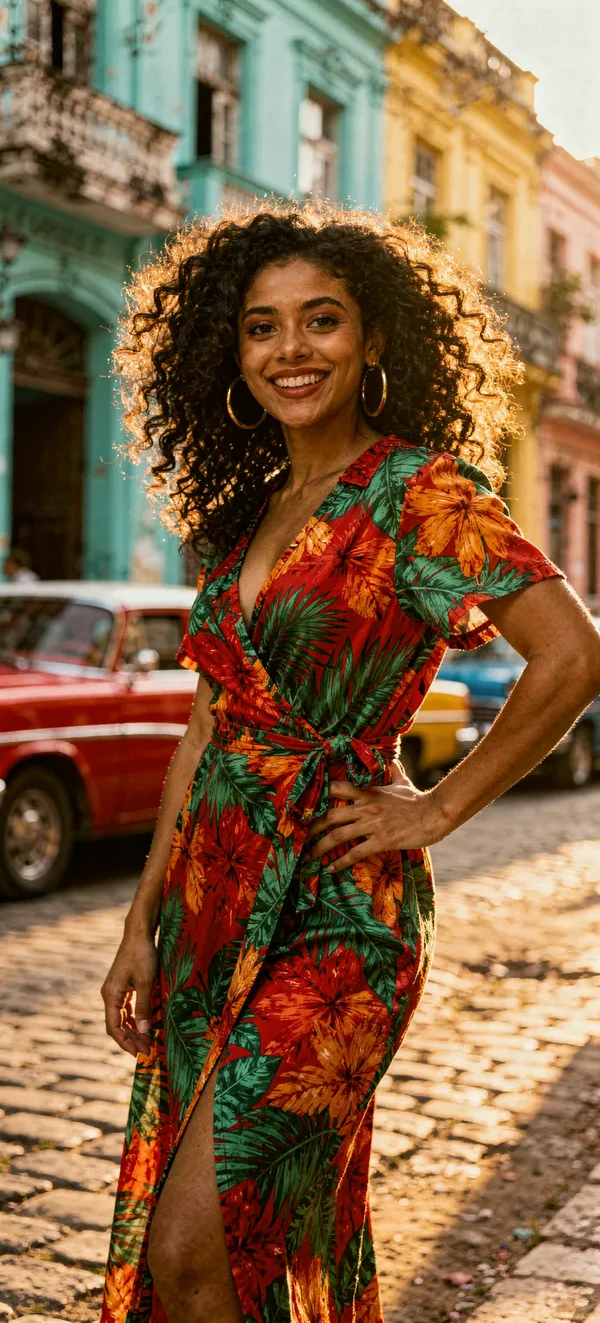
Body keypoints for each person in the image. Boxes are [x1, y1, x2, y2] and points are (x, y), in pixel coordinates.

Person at [100, 203, 600, 1323]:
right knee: (272, 1238)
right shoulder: (253, 513)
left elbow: (571, 658)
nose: (291, 350)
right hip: (213, 902)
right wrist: (141, 920)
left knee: (198, 1247)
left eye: (321, 321)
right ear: (229, 356)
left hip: (336, 912)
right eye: (262, 328)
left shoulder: (421, 495)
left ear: (374, 341)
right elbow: (206, 731)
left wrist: (436, 811)